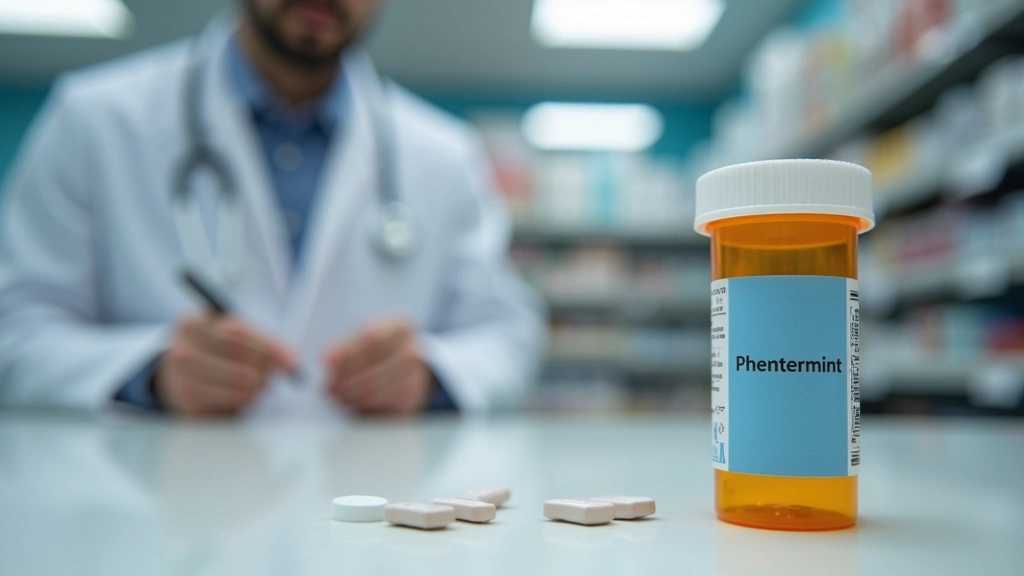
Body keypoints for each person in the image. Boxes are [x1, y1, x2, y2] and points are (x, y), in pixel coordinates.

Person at [0, 0, 545, 417]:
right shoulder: (94, 120)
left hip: (375, 522)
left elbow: (508, 334)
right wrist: (150, 372)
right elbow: (16, 333)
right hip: (155, 523)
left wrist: (429, 374)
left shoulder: (444, 153)